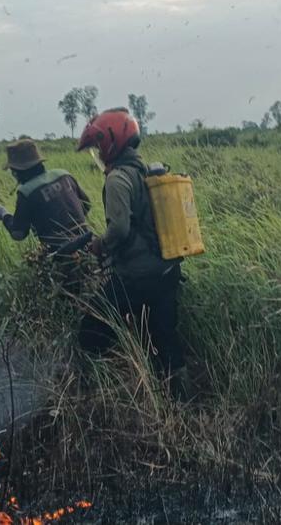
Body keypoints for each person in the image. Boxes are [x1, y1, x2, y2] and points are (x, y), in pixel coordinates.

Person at [74, 108, 187, 395]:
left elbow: (120, 229)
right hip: (168, 270)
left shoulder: (117, 179)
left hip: (136, 278)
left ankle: (93, 392)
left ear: (112, 143)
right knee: (165, 340)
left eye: (99, 146)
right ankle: (181, 403)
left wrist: (100, 244)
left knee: (90, 332)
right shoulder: (147, 171)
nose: (98, 152)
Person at [0, 139, 92, 293]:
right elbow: (86, 205)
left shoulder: (26, 192)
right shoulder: (64, 175)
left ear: (17, 171)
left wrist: (3, 215)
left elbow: (18, 233)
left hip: (61, 255)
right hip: (89, 245)